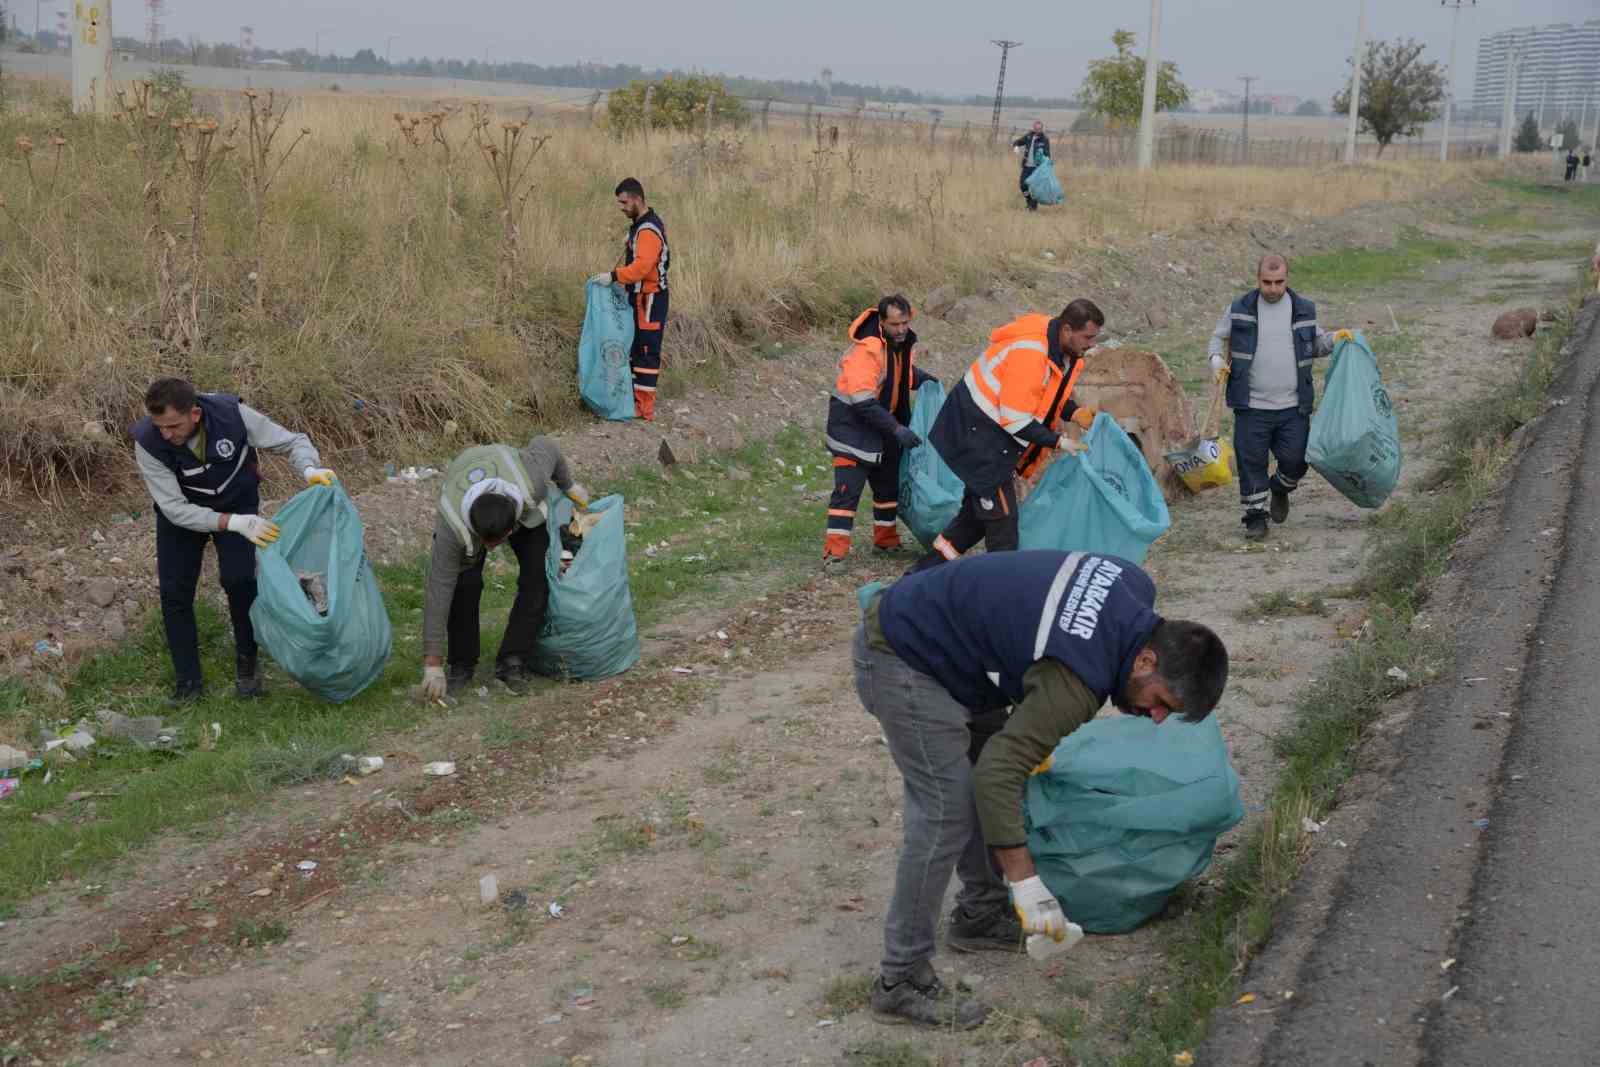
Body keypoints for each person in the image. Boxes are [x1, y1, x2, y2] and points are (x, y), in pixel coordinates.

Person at [853, 549, 1229, 1027]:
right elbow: (998, 774)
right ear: (1146, 659)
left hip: (956, 644)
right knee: (947, 808)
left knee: (982, 780)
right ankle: (899, 979)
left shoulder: (1134, 586)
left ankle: (980, 914)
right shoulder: (1077, 680)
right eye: (1162, 702)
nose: (1156, 717)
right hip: (904, 653)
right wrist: (1027, 884)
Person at [131, 378, 334, 703]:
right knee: (175, 593)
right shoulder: (147, 441)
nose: (166, 434)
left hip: (237, 501)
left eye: (173, 425)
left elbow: (292, 442)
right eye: (160, 426)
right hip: (184, 516)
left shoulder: (233, 415)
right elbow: (174, 509)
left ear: (195, 414)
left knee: (240, 581)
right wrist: (231, 524)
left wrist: (309, 469)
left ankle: (248, 668)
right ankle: (188, 684)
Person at [910, 300, 1105, 572]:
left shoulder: (1059, 349)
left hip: (989, 432)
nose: (1091, 344)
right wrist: (1059, 442)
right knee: (1003, 526)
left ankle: (919, 577)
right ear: (1067, 329)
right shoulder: (1030, 354)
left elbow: (1046, 395)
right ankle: (1001, 590)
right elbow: (1015, 420)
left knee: (976, 519)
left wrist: (1074, 412)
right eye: (1088, 337)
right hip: (974, 434)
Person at [420, 437, 589, 700]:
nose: (490, 549)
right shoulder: (451, 526)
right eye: (485, 543)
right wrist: (432, 663)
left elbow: (546, 445)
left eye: (496, 542)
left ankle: (512, 660)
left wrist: (568, 485)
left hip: (515, 491)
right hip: (466, 484)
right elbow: (438, 589)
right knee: (464, 586)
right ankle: (461, 664)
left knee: (537, 578)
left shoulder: (531, 480)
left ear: (511, 529)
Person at [1207, 254, 1351, 541]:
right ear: (1257, 279)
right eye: (1267, 282)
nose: (1273, 288)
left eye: (1279, 282)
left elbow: (1315, 345)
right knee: (1251, 463)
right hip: (1251, 405)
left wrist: (1336, 339)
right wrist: (1215, 360)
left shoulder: (1304, 309)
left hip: (1293, 405)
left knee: (1297, 460)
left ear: (1288, 279)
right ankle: (1255, 517)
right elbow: (1217, 337)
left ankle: (1280, 488)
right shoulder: (1239, 308)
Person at [822, 295, 934, 569]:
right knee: (847, 494)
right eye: (895, 324)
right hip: (852, 433)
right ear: (882, 322)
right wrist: (897, 428)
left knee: (887, 488)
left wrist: (929, 382)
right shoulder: (867, 350)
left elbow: (902, 376)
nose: (901, 329)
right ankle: (834, 554)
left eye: (905, 323)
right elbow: (863, 401)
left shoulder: (899, 346)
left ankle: (886, 542)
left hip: (881, 431)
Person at [590, 177, 670, 422]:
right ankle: (634, 401)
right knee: (636, 350)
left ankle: (643, 408)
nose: (621, 207)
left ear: (637, 199)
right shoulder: (641, 224)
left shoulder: (646, 230)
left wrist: (613, 276)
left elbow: (642, 268)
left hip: (650, 300)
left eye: (624, 202)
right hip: (640, 298)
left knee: (646, 351)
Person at [1012, 121, 1051, 212]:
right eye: (1036, 128)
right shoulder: (1029, 136)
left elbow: (1047, 154)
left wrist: (1045, 164)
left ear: (1042, 129)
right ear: (1033, 128)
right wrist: (1016, 147)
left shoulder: (1044, 139)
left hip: (1037, 168)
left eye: (1040, 129)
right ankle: (1029, 201)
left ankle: (1033, 207)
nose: (1038, 130)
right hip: (1026, 166)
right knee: (1023, 186)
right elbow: (1017, 142)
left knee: (1034, 188)